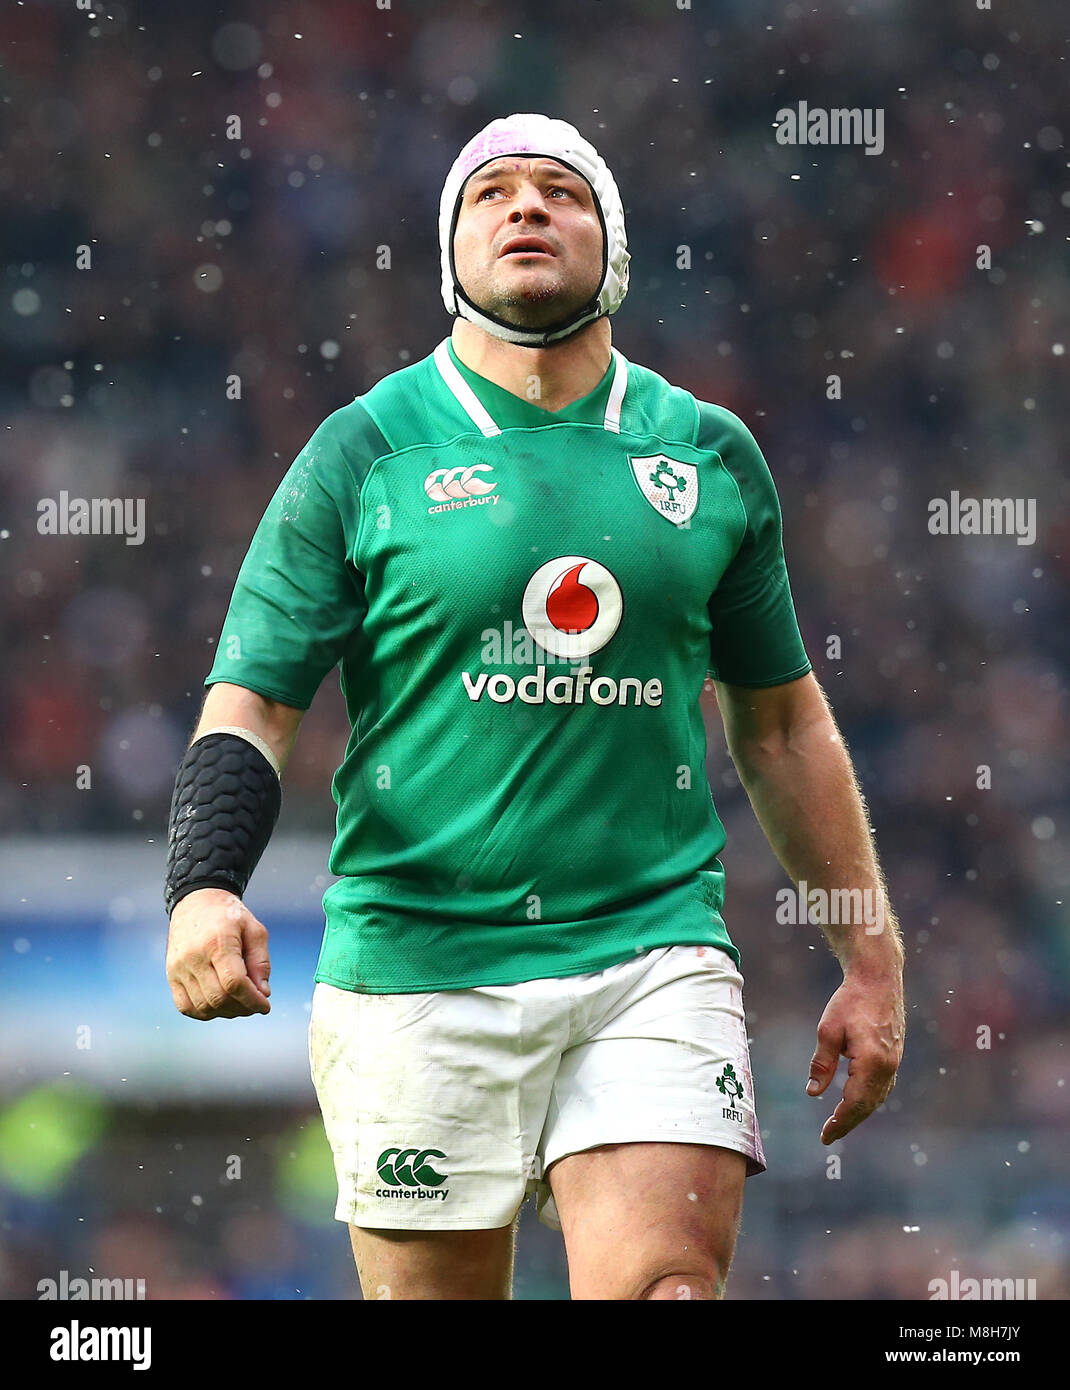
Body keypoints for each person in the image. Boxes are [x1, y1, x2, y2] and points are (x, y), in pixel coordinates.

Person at [164, 113, 905, 1301]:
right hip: (416, 960)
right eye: (488, 194)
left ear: (608, 250)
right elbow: (250, 707)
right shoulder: (362, 453)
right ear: (448, 254)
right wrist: (202, 883)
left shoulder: (706, 453)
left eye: (559, 191)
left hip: (646, 950)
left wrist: (868, 957)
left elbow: (778, 724)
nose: (523, 208)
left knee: (664, 1287)